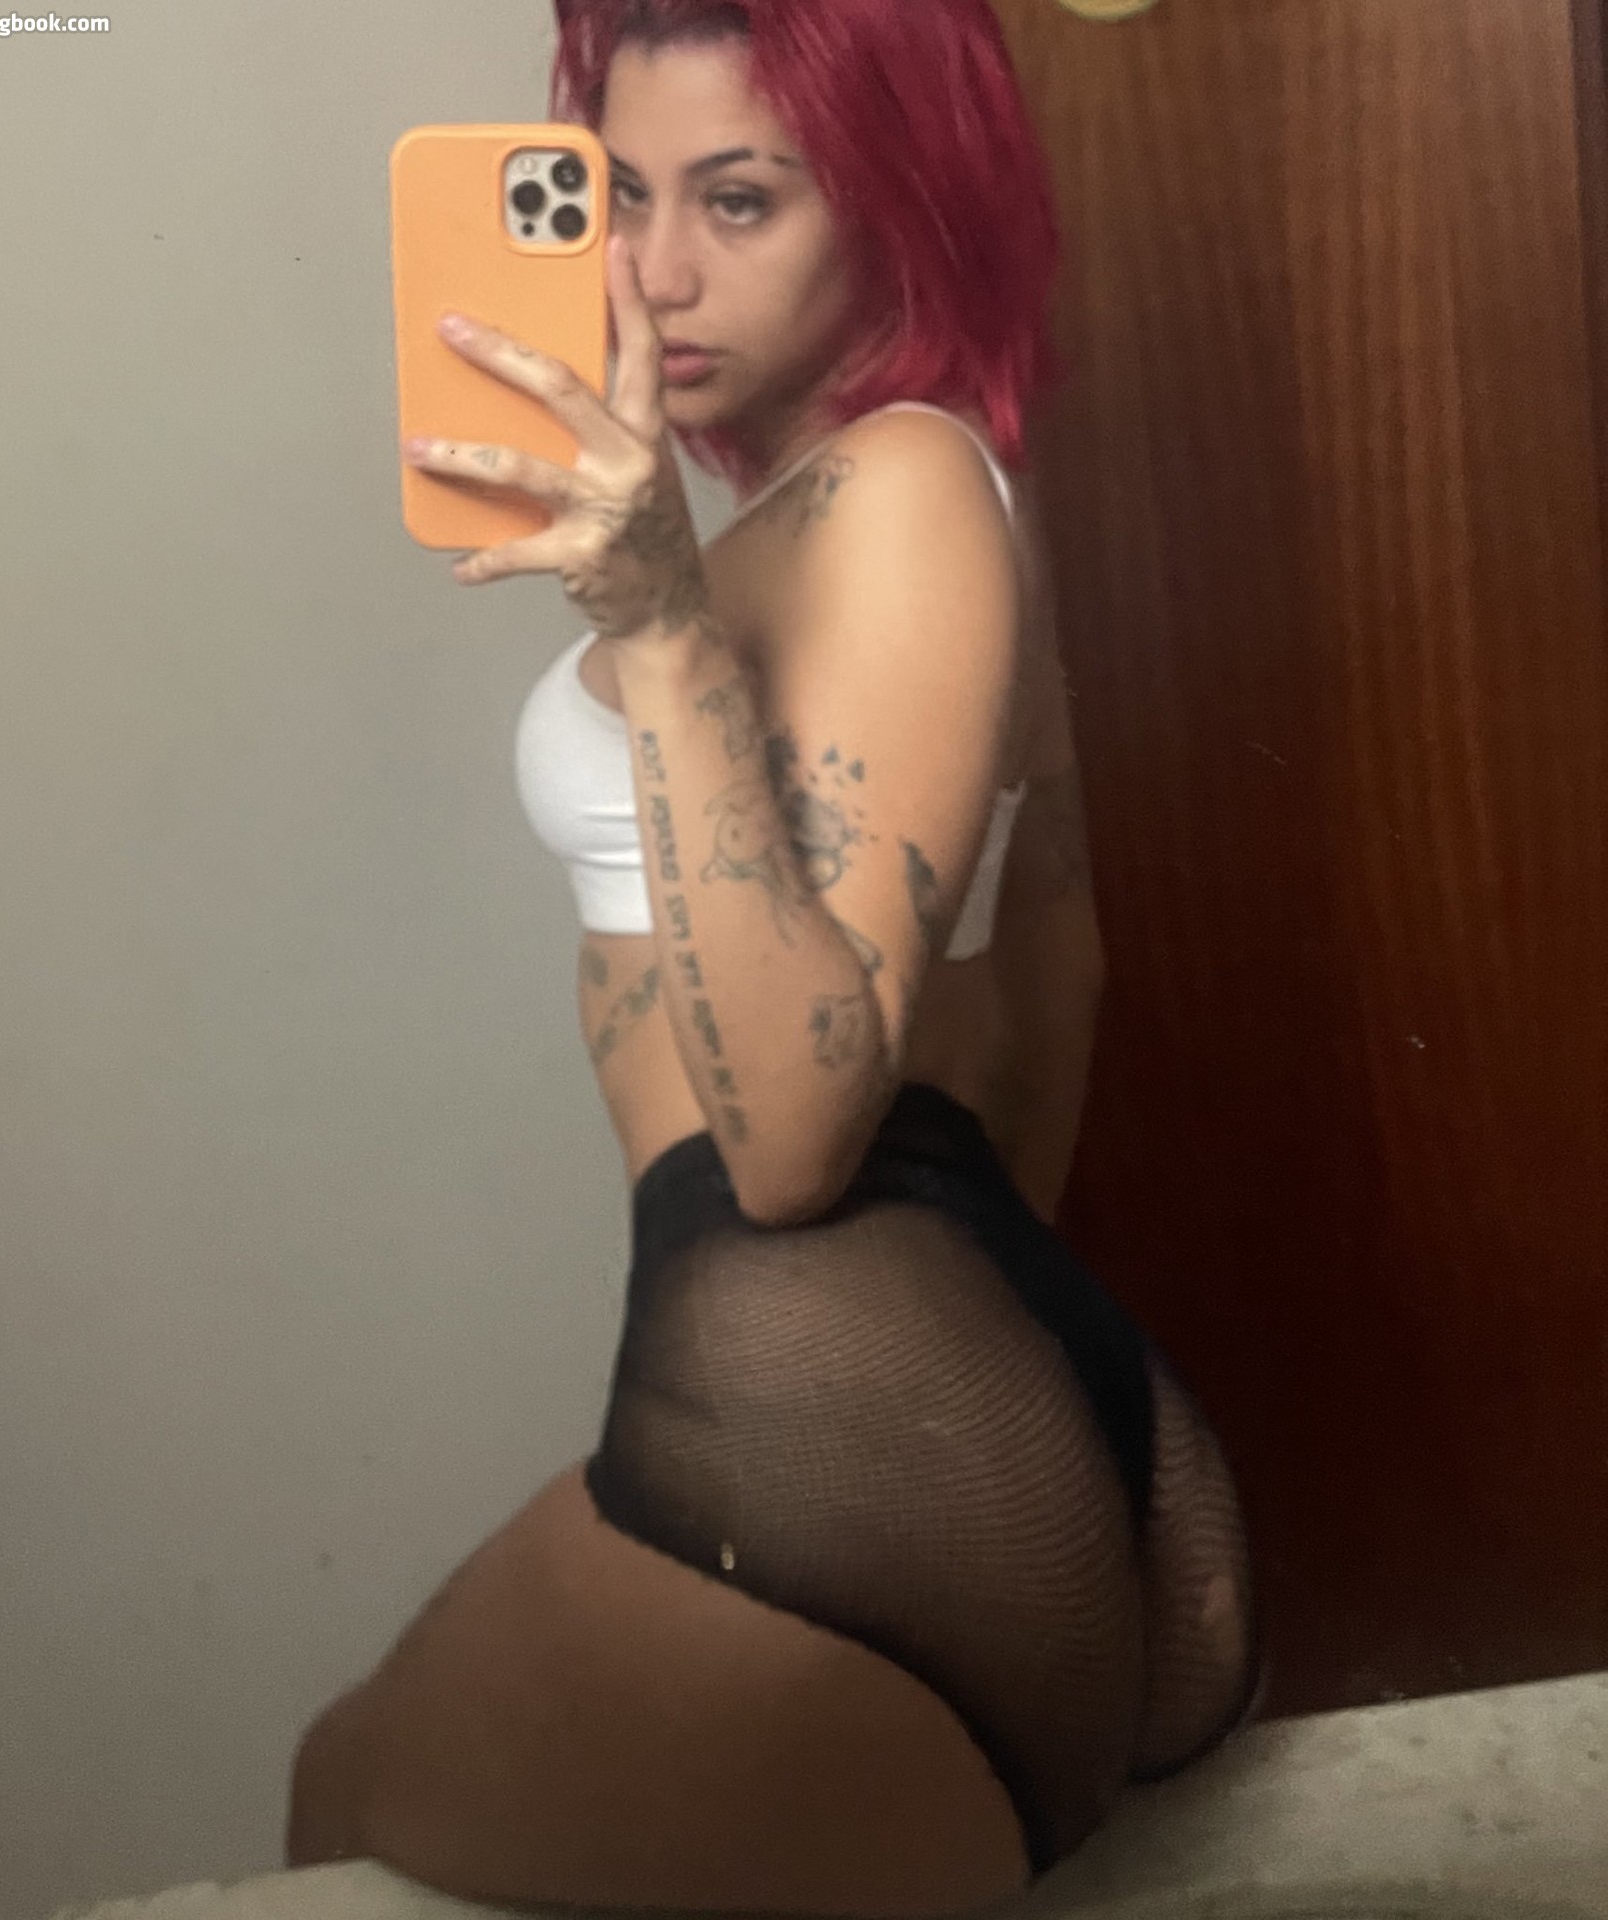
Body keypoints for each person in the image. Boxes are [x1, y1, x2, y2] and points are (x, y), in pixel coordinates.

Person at [286, 1, 1265, 1912]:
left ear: (901, 202)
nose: (654, 274)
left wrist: (656, 625)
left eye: (739, 200)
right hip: (975, 1382)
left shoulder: (899, 491)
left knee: (338, 1790)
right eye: (618, 195)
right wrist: (993, 1388)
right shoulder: (921, 494)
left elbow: (796, 1147)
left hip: (836, 1427)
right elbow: (1053, 950)